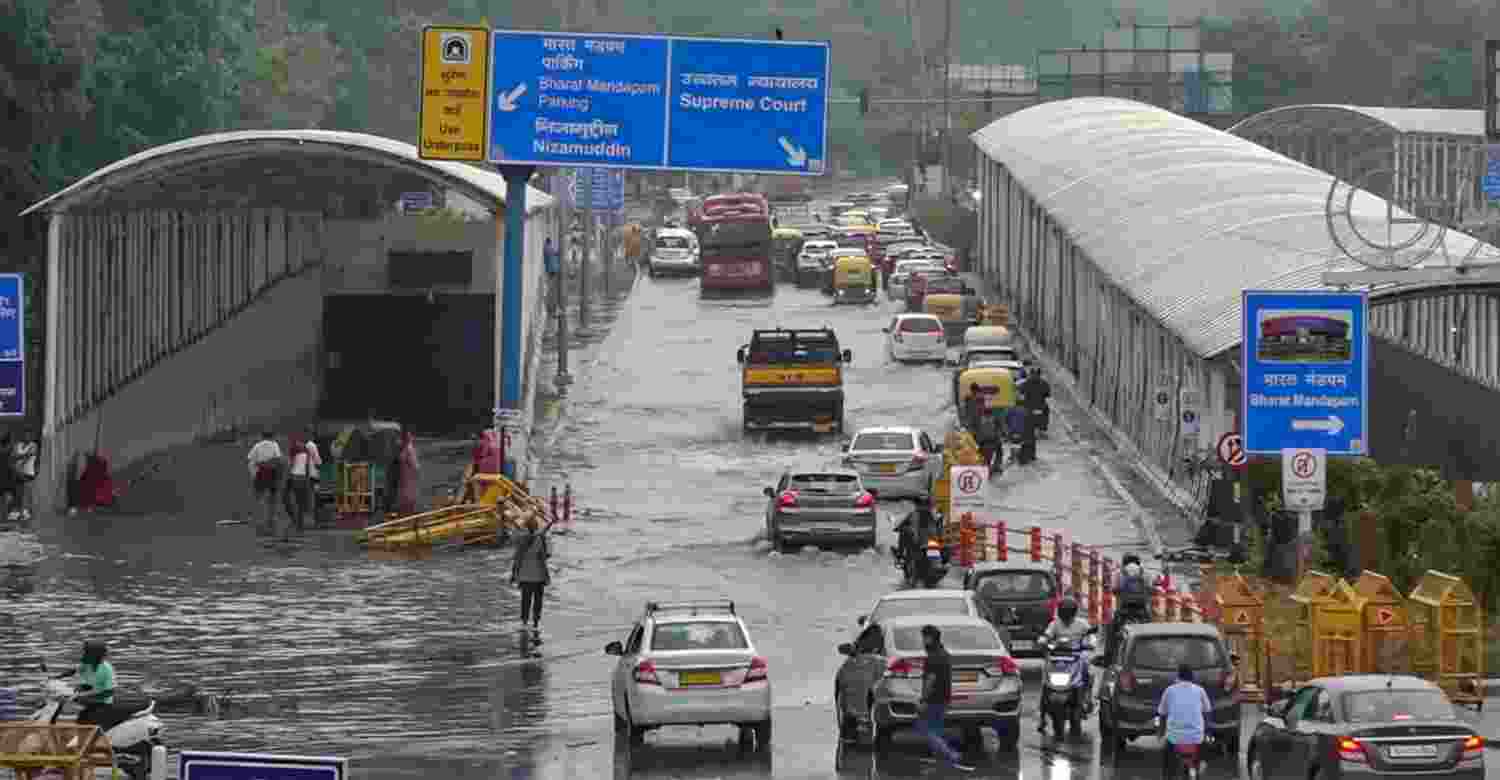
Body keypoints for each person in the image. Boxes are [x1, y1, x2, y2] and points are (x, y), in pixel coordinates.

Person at [914, 625, 974, 771]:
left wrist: (923, 700)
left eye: (924, 637)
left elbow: (930, 680)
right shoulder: (944, 654)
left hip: (933, 699)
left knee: (924, 728)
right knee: (936, 729)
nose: (922, 641)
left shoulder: (933, 657)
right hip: (944, 698)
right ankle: (940, 760)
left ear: (929, 638)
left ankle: (951, 755)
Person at [1037, 597, 1094, 731]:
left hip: (1076, 657)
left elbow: (1090, 636)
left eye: (1068, 614)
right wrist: (1043, 641)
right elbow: (1046, 636)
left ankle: (1086, 698)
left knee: (1088, 669)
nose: (1066, 618)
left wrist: (1089, 643)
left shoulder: (1082, 624)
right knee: (1045, 678)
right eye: (1064, 614)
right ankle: (1042, 715)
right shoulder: (1055, 624)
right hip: (1057, 658)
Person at [1157, 663, 1212, 778]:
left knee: (1167, 767)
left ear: (1178, 676)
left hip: (1174, 738)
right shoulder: (1200, 691)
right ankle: (1198, 770)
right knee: (1201, 760)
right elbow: (1207, 712)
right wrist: (1207, 732)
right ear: (1192, 677)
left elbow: (1162, 714)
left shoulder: (1169, 690)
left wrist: (1161, 733)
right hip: (1196, 738)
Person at [1102, 555, 1153, 664]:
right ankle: (1152, 656)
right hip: (1142, 611)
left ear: (1124, 563)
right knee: (1151, 631)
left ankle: (1107, 658)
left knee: (1111, 630)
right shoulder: (1146, 573)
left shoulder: (1118, 573)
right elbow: (1150, 589)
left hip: (1123, 610)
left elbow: (1114, 590)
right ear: (1138, 563)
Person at [511, 514, 551, 631]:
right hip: (538, 577)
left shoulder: (521, 540)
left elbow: (517, 559)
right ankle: (535, 623)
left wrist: (514, 574)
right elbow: (543, 559)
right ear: (536, 526)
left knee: (525, 600)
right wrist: (547, 576)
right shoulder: (540, 539)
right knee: (538, 601)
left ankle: (524, 623)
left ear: (526, 526)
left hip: (524, 576)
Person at [283, 430, 321, 536]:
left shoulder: (298, 448)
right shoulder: (306, 449)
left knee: (294, 499)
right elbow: (309, 464)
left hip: (297, 477)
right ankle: (300, 523)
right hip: (304, 477)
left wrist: (289, 476)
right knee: (302, 501)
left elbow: (292, 464)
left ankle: (298, 522)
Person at [246, 432, 282, 532]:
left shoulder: (257, 445)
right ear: (272, 436)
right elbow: (278, 459)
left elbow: (249, 458)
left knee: (257, 496)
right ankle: (272, 517)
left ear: (262, 437)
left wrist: (254, 473)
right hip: (272, 473)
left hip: (261, 473)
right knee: (273, 497)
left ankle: (253, 517)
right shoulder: (275, 444)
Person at [73, 640, 115, 726]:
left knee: (85, 720)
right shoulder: (88, 664)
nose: (83, 654)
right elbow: (74, 670)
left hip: (103, 703)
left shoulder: (107, 669)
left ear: (94, 655)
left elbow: (109, 692)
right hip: (91, 697)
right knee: (79, 718)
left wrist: (85, 697)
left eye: (86, 652)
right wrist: (57, 677)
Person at [10, 431, 37, 521]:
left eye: (29, 435)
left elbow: (29, 455)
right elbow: (13, 455)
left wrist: (19, 457)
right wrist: (19, 457)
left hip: (28, 472)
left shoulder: (33, 445)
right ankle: (19, 512)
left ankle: (27, 511)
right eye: (26, 435)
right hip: (18, 473)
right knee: (18, 492)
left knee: (27, 492)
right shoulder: (18, 445)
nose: (27, 437)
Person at [396, 431, 420, 515]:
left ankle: (408, 513)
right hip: (404, 475)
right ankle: (405, 512)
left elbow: (415, 466)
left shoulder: (409, 449)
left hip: (408, 475)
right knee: (404, 494)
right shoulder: (405, 448)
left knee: (408, 495)